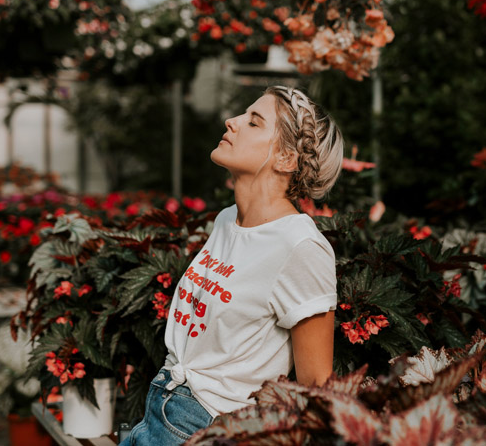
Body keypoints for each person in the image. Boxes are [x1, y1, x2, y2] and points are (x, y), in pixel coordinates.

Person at [119, 85, 344, 446]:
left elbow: (316, 389)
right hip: (160, 409)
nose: (232, 121)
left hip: (207, 428)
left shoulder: (300, 245)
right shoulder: (227, 220)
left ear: (286, 159)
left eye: (254, 122)